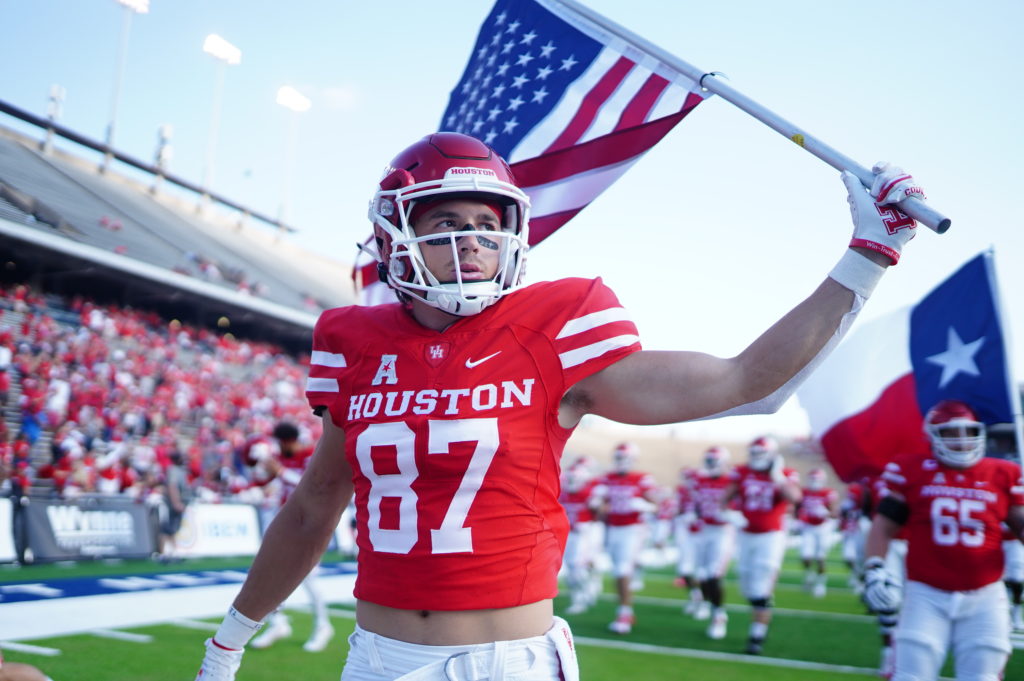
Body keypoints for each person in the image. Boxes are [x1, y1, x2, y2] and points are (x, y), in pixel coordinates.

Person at [194, 131, 926, 681]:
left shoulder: (557, 321)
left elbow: (745, 381)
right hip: (378, 657)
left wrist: (866, 254)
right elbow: (313, 504)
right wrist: (228, 640)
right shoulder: (350, 338)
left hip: (508, 660)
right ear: (395, 236)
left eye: (487, 223)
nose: (472, 241)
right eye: (444, 223)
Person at [862, 400, 1024, 681]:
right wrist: (875, 567)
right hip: (926, 593)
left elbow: (1020, 525)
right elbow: (883, 525)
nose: (961, 441)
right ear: (933, 436)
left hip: (986, 595)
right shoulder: (911, 469)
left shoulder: (1003, 473)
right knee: (910, 676)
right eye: (951, 433)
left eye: (968, 432)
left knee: (983, 677)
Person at [245, 422, 335, 653]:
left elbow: (312, 485)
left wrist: (281, 472)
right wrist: (260, 466)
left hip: (311, 523)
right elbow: (261, 481)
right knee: (270, 573)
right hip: (286, 522)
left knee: (309, 578)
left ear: (287, 440)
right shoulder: (279, 457)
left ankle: (323, 625)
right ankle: (278, 623)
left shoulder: (309, 455)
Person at [722, 435, 802, 655]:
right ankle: (762, 609)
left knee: (761, 584)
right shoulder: (742, 471)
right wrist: (730, 514)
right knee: (747, 585)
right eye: (754, 454)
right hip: (746, 534)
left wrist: (776, 476)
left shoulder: (784, 474)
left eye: (761, 454)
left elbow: (795, 497)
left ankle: (756, 635)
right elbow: (724, 499)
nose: (756, 458)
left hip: (771, 535)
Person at [590, 442, 659, 634]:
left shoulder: (641, 478)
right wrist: (599, 506)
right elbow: (598, 505)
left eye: (624, 458)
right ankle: (625, 607)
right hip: (613, 528)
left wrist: (642, 506)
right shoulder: (607, 478)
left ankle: (624, 613)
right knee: (617, 571)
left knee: (621, 570)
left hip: (633, 529)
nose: (620, 461)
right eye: (618, 458)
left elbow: (656, 506)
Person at [689, 445, 737, 639]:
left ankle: (719, 615)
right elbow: (698, 505)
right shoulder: (700, 480)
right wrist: (693, 515)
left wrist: (732, 514)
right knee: (701, 573)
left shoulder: (732, 481)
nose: (710, 465)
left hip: (723, 530)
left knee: (713, 574)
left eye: (713, 461)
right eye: (708, 461)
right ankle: (708, 605)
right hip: (704, 529)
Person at [558, 455, 602, 616]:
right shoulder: (563, 493)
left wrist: (597, 508)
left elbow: (599, 515)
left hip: (585, 534)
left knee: (577, 568)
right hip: (569, 535)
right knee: (570, 569)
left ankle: (580, 598)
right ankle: (585, 590)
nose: (570, 482)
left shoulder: (588, 493)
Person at [796, 466, 839, 597]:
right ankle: (809, 574)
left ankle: (821, 583)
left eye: (816, 479)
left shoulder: (828, 493)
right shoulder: (804, 492)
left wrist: (825, 513)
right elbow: (797, 508)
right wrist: (797, 519)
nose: (814, 481)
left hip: (823, 528)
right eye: (812, 479)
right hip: (808, 526)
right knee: (806, 556)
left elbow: (834, 513)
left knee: (820, 557)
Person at [157, 449, 191, 562]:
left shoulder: (179, 470)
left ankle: (172, 552)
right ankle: (162, 553)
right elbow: (173, 486)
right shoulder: (173, 470)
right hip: (170, 504)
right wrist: (176, 503)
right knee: (166, 528)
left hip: (175, 504)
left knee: (173, 529)